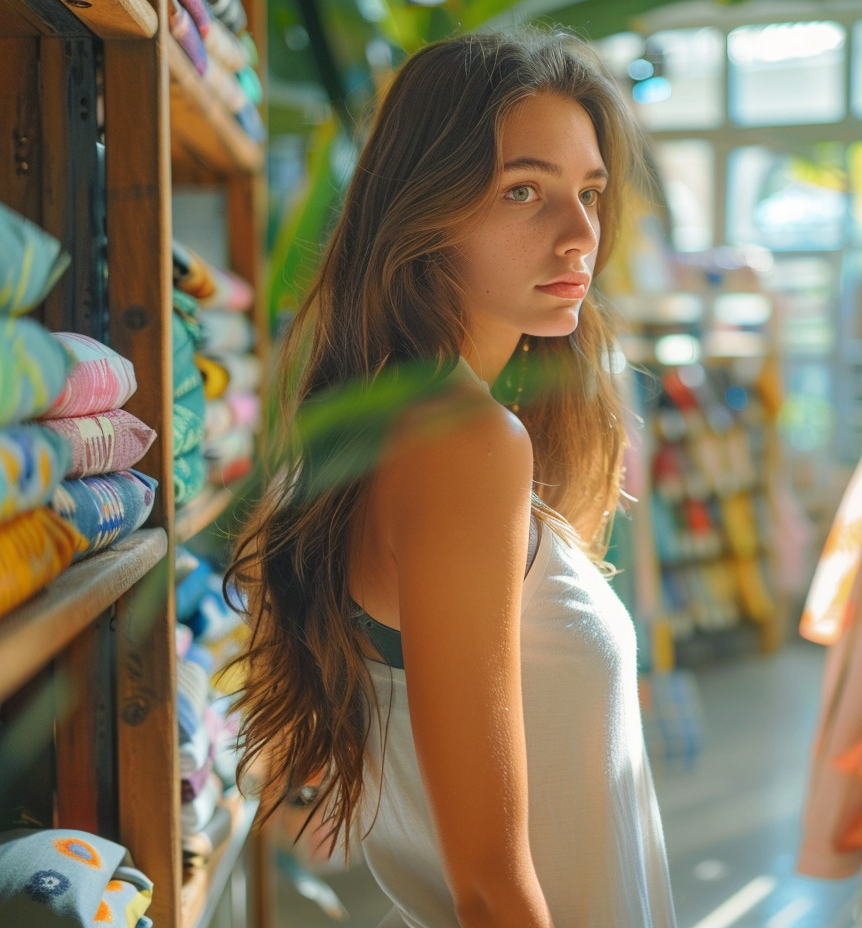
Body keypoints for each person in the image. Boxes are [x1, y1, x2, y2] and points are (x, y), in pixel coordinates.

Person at [227, 28, 676, 928]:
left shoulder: (397, 422)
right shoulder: (466, 446)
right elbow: (490, 887)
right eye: (524, 190)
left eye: (589, 192)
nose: (580, 232)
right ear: (424, 209)